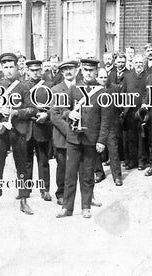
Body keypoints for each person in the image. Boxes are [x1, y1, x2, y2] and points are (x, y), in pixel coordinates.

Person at [0, 53, 38, 215]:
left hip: (18, 130)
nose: (9, 70)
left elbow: (33, 109)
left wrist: (17, 112)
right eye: (5, 67)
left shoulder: (24, 87)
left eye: (11, 66)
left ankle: (24, 199)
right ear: (1, 68)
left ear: (17, 67)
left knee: (21, 165)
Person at [53, 58, 109, 219]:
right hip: (74, 139)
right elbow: (63, 109)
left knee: (87, 174)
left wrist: (101, 140)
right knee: (69, 174)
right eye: (86, 70)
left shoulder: (103, 93)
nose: (89, 73)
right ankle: (67, 208)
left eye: (91, 70)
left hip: (91, 139)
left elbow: (106, 120)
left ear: (96, 72)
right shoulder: (74, 89)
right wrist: (69, 114)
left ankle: (86, 206)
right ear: (82, 71)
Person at [24, 60, 53, 201]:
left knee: (43, 160)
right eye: (32, 70)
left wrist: (46, 115)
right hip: (27, 129)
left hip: (42, 128)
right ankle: (25, 189)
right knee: (26, 161)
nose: (35, 72)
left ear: (41, 70)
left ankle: (45, 189)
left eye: (37, 70)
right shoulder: (23, 86)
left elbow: (53, 108)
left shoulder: (49, 86)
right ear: (27, 71)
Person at [50, 60, 78, 205]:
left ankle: (77, 194)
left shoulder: (81, 89)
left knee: (77, 166)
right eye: (65, 69)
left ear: (76, 70)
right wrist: (69, 132)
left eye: (71, 69)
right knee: (62, 166)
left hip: (80, 136)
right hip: (63, 136)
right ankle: (61, 193)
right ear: (61, 72)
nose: (68, 72)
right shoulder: (55, 90)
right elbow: (54, 115)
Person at [95, 68, 123, 186]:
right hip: (97, 124)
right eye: (100, 77)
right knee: (95, 150)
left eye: (105, 77)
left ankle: (117, 176)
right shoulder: (93, 90)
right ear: (97, 78)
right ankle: (99, 173)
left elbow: (120, 105)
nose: (103, 79)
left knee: (113, 150)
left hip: (111, 125)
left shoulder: (115, 88)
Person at [121, 54, 149, 170]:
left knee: (142, 137)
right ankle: (132, 160)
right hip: (130, 111)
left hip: (142, 112)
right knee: (131, 137)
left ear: (143, 64)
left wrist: (145, 104)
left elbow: (148, 92)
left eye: (140, 63)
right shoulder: (127, 76)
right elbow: (123, 92)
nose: (138, 65)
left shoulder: (148, 76)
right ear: (133, 64)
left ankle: (142, 161)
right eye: (136, 63)